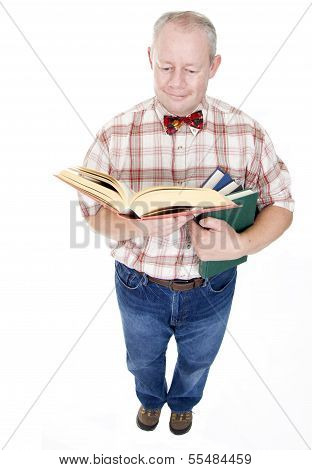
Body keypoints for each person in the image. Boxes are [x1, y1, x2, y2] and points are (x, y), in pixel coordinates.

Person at [78, 11, 294, 435]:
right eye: (166, 67)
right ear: (149, 58)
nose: (176, 81)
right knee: (141, 360)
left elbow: (282, 204)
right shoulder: (115, 134)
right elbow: (92, 215)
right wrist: (139, 226)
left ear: (214, 66)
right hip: (138, 284)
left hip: (213, 287)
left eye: (191, 69)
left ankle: (183, 403)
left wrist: (240, 245)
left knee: (198, 359)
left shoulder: (247, 134)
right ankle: (149, 400)